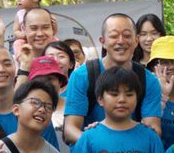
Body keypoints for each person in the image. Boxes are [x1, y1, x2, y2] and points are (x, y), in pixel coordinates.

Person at [62, 12, 163, 142]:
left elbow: (153, 130)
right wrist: (101, 146)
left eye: (127, 36)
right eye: (114, 36)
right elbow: (70, 130)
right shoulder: (82, 76)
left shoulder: (149, 81)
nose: (121, 41)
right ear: (102, 42)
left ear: (136, 41)